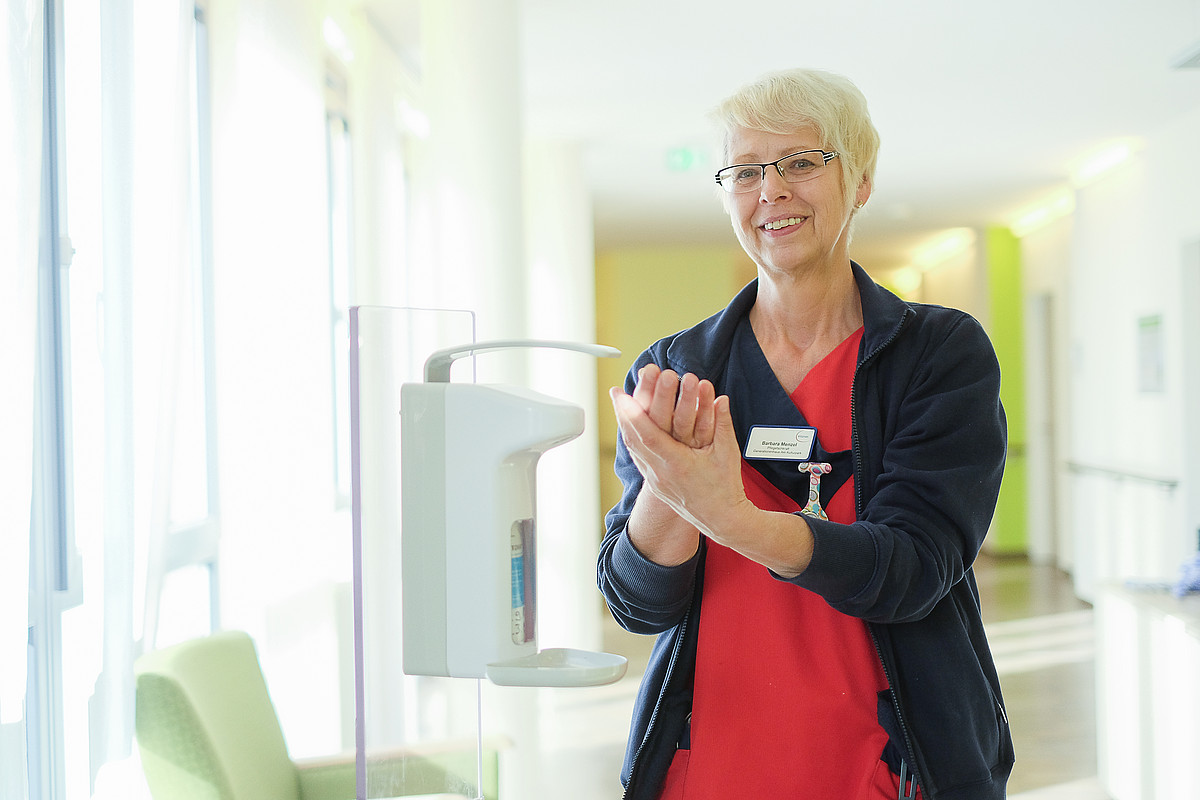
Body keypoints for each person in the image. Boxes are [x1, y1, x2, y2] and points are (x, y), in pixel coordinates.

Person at [597, 68, 1013, 800]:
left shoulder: (936, 355)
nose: (772, 190)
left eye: (799, 162)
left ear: (860, 180)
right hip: (710, 767)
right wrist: (670, 486)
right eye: (746, 170)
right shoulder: (679, 369)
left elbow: (914, 569)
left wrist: (731, 518)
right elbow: (636, 604)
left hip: (887, 769)